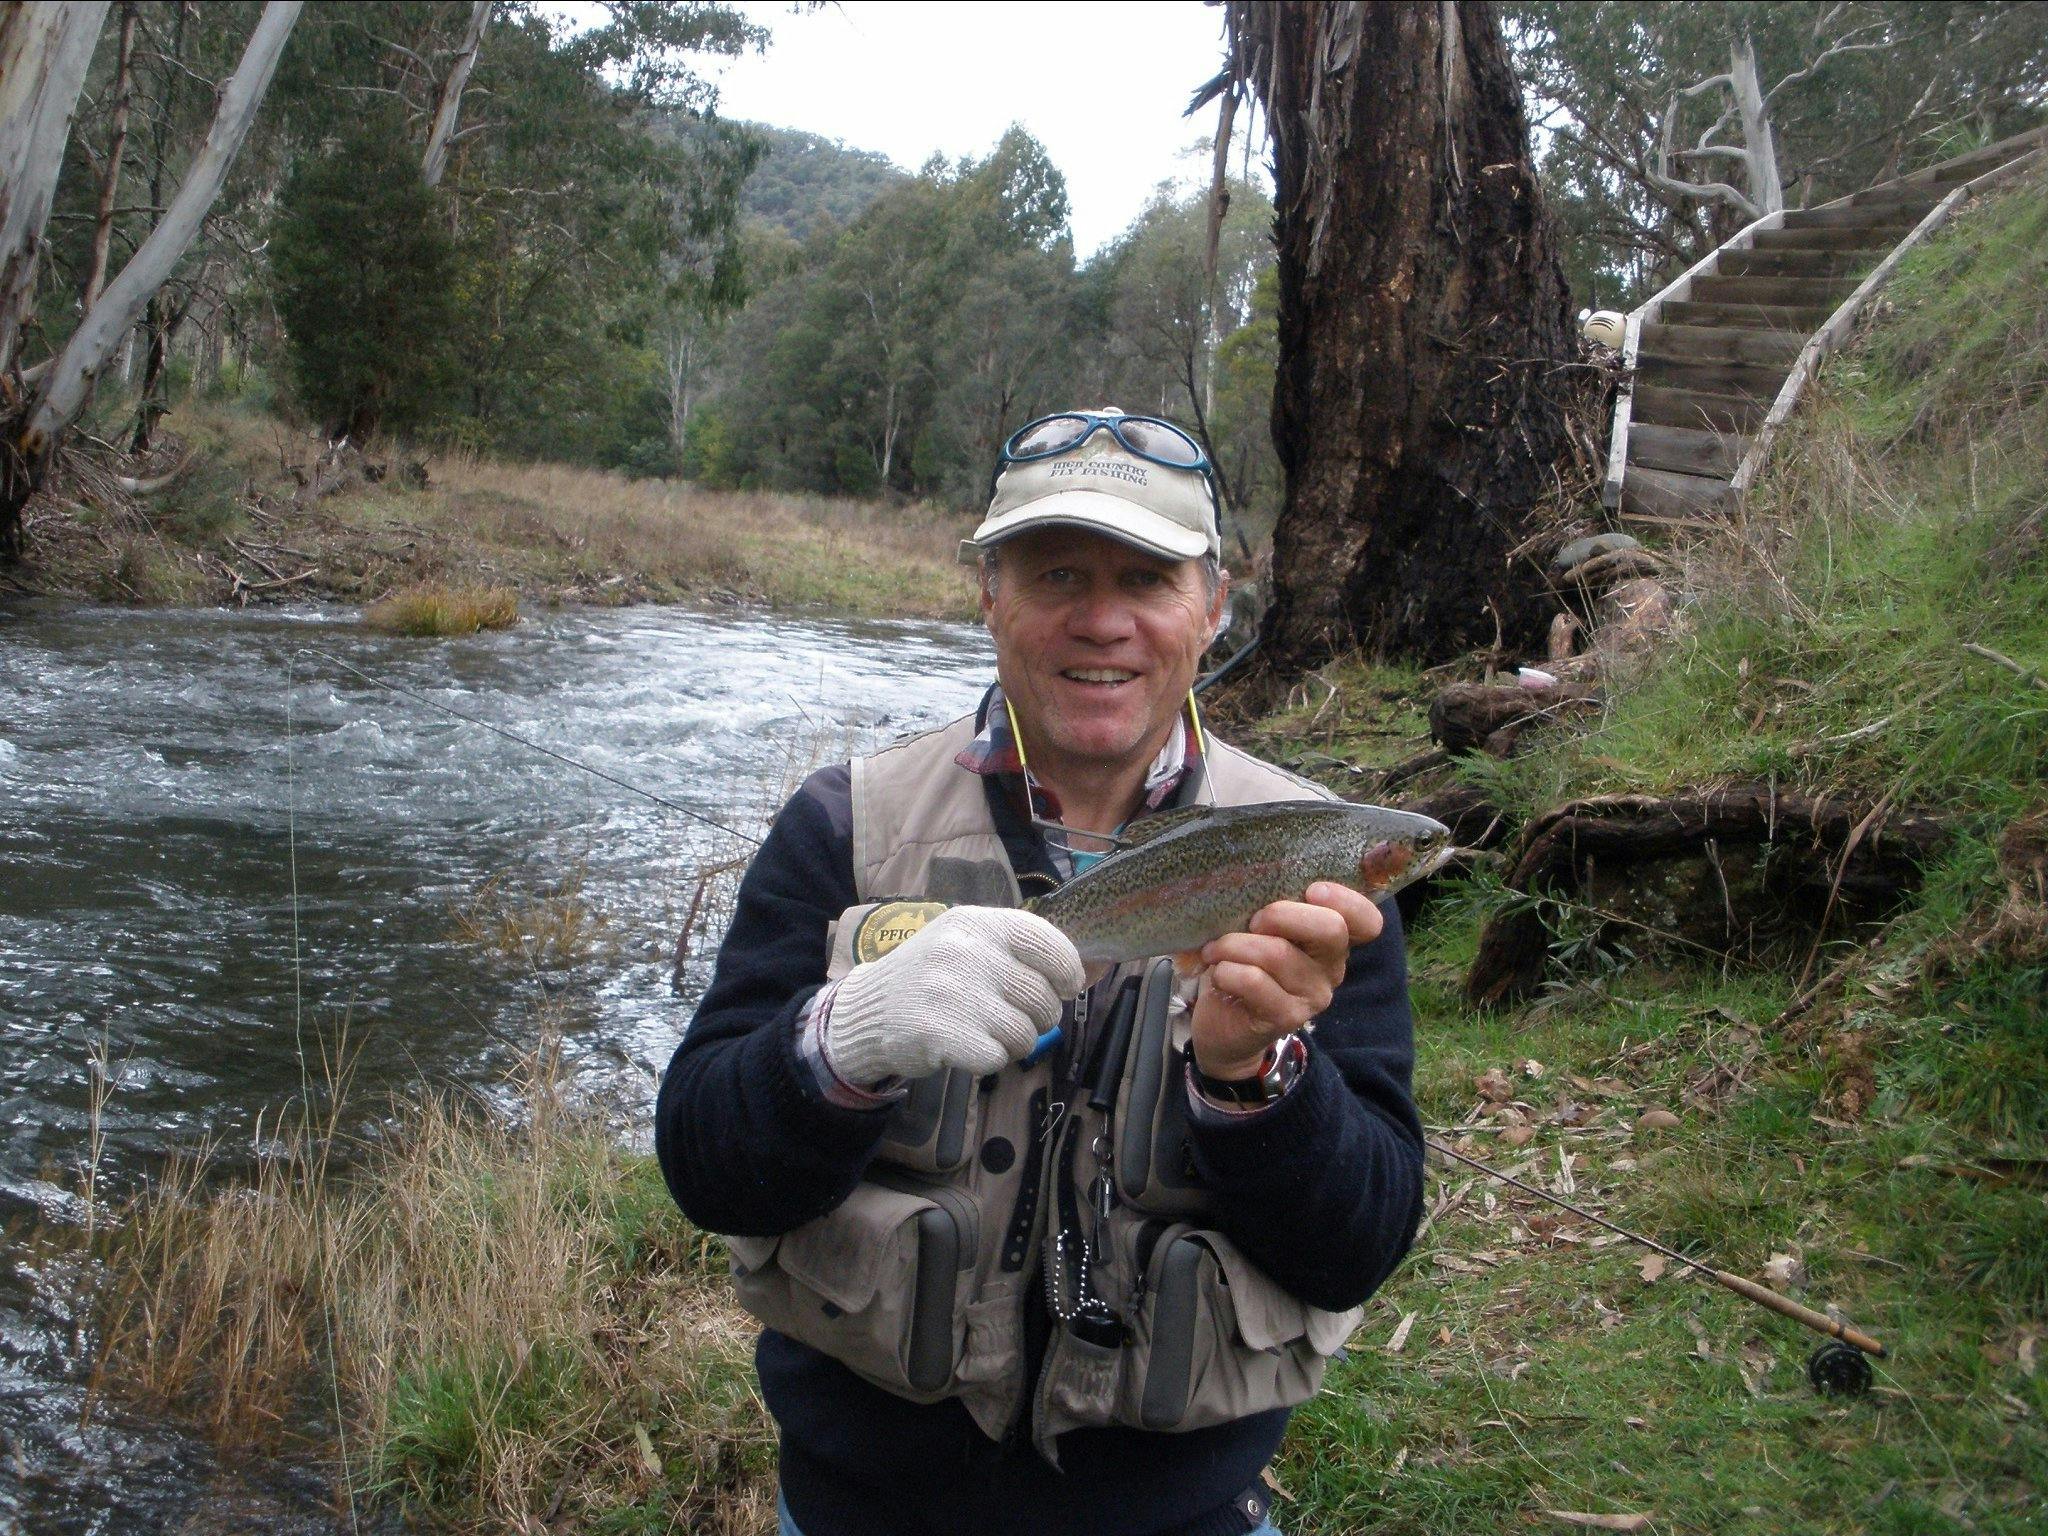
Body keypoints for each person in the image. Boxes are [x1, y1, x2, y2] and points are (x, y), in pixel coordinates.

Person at [655, 409, 1424, 1536]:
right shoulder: (843, 828)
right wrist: (845, 1040)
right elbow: (705, 1168)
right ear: (988, 594)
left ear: (1212, 608)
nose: (1101, 620)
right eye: (1056, 571)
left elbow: (1358, 1244)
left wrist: (1252, 1082)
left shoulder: (1315, 872)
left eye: (1147, 577)